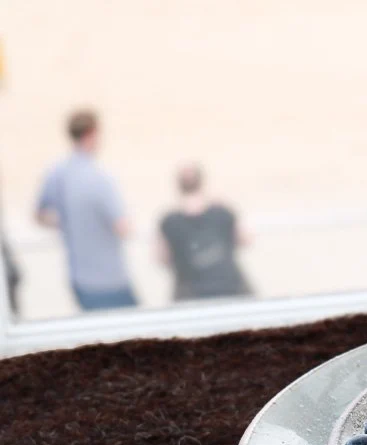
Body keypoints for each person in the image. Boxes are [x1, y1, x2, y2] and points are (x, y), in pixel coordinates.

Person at [35, 109, 137, 311]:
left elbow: (40, 215)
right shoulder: (99, 178)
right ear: (92, 134)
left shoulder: (57, 174)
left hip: (79, 278)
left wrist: (68, 222)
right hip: (109, 280)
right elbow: (122, 227)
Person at [156, 164, 251, 302]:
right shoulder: (223, 211)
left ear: (178, 185)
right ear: (201, 182)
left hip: (190, 295)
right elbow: (245, 240)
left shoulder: (168, 220)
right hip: (231, 288)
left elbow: (162, 258)